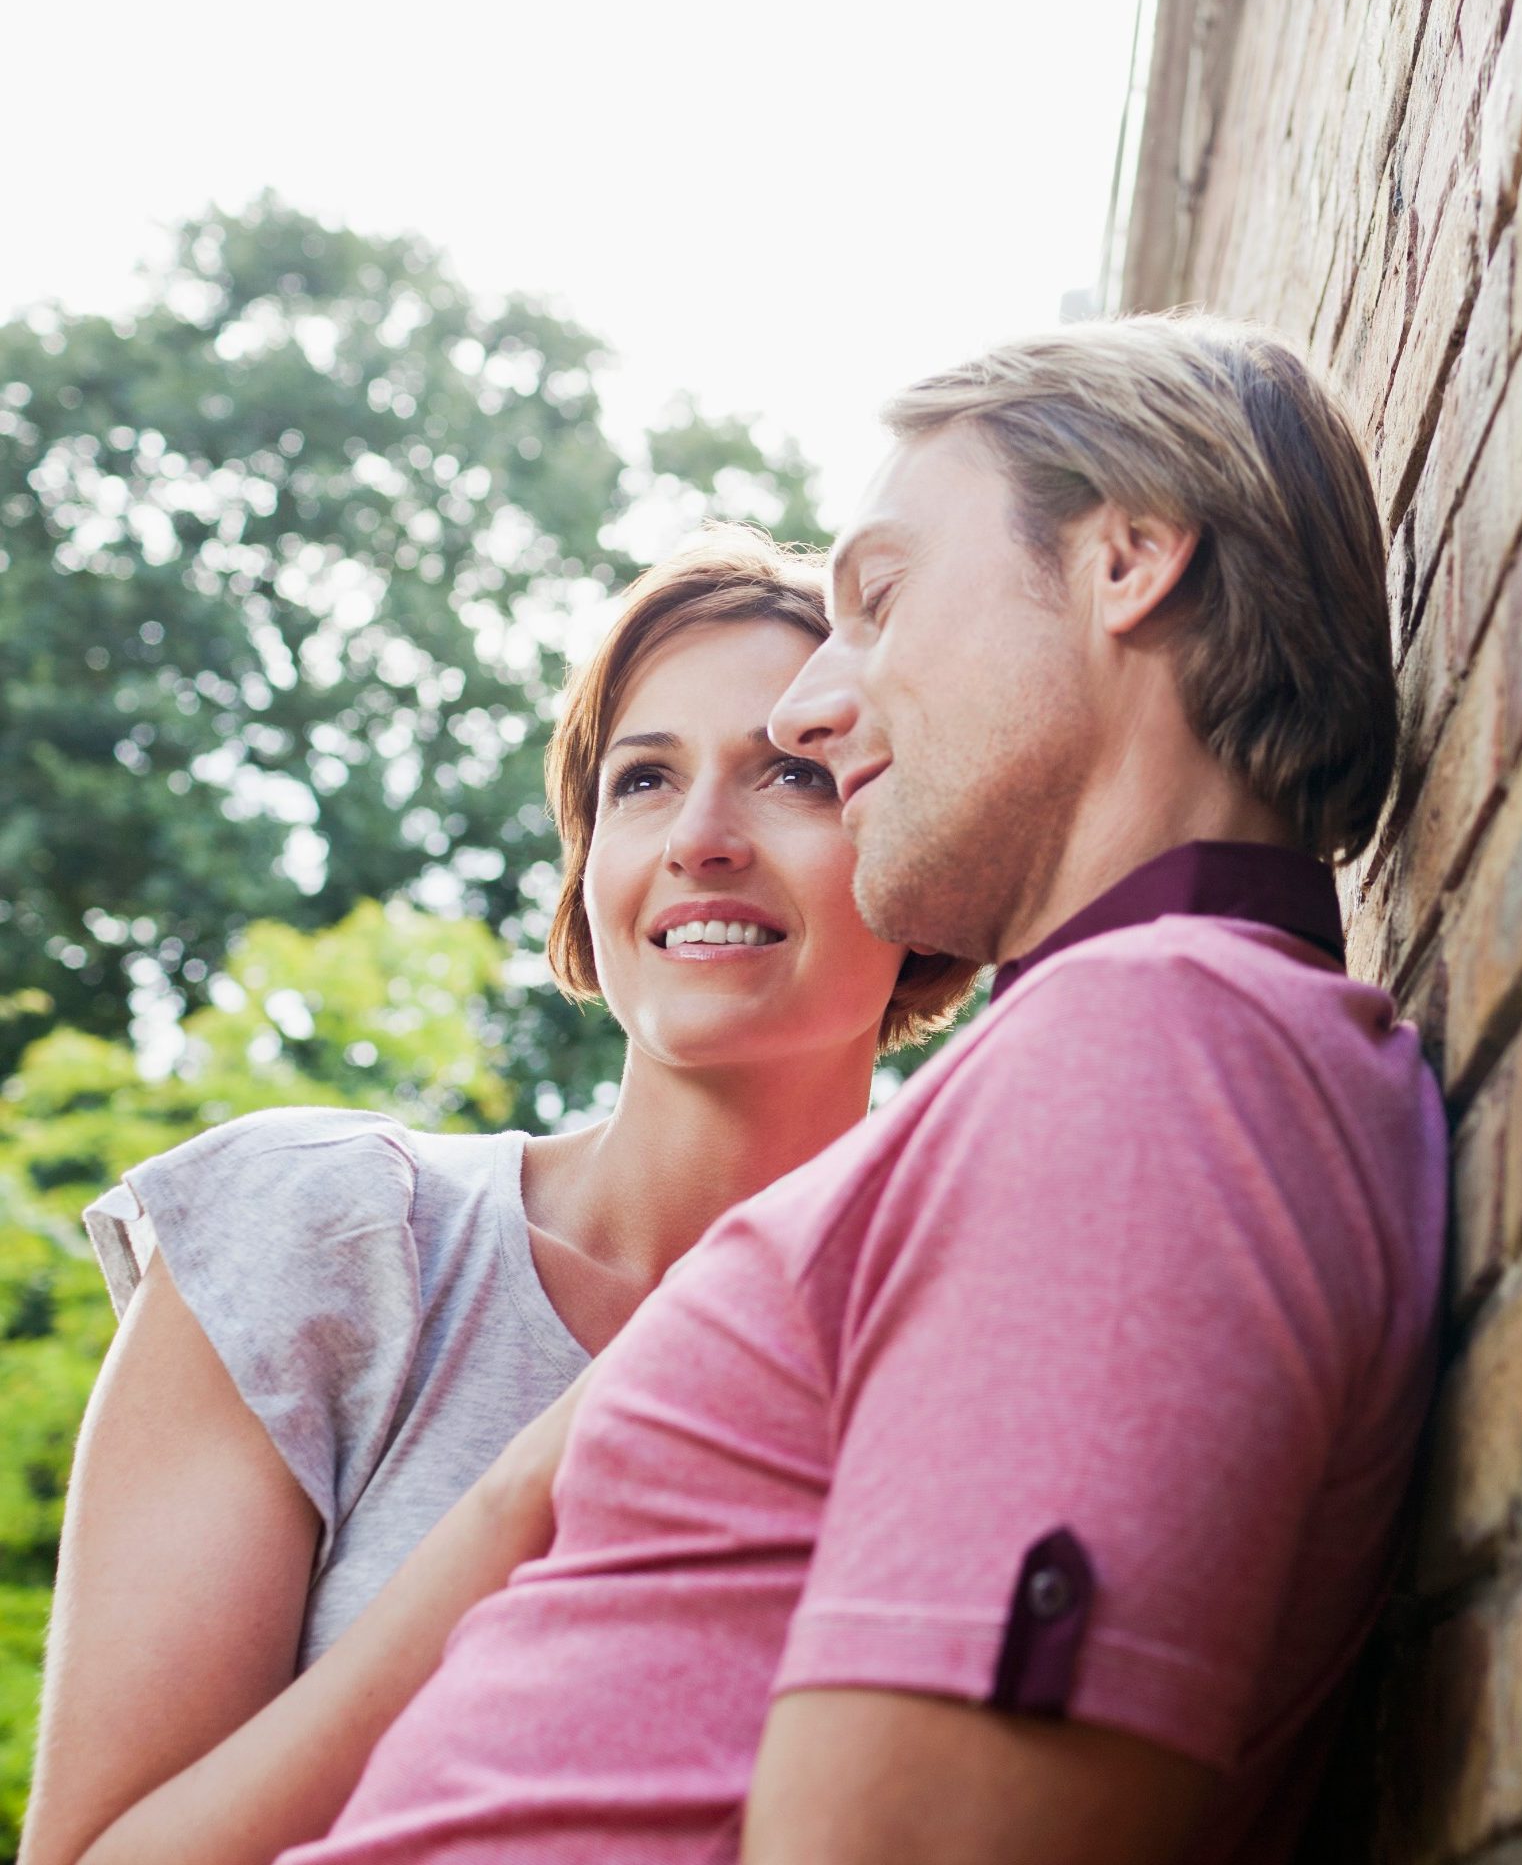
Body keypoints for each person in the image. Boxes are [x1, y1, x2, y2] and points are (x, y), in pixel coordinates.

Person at [281, 314, 1448, 1865]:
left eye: (881, 600)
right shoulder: (1124, 1054)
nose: (817, 710)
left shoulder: (1149, 1056)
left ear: (1129, 560)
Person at [22, 529, 977, 1865]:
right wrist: (533, 1488)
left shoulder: (978, 1340)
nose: (702, 838)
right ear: (588, 875)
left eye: (795, 777)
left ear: (918, 856)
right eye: (643, 780)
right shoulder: (323, 1236)